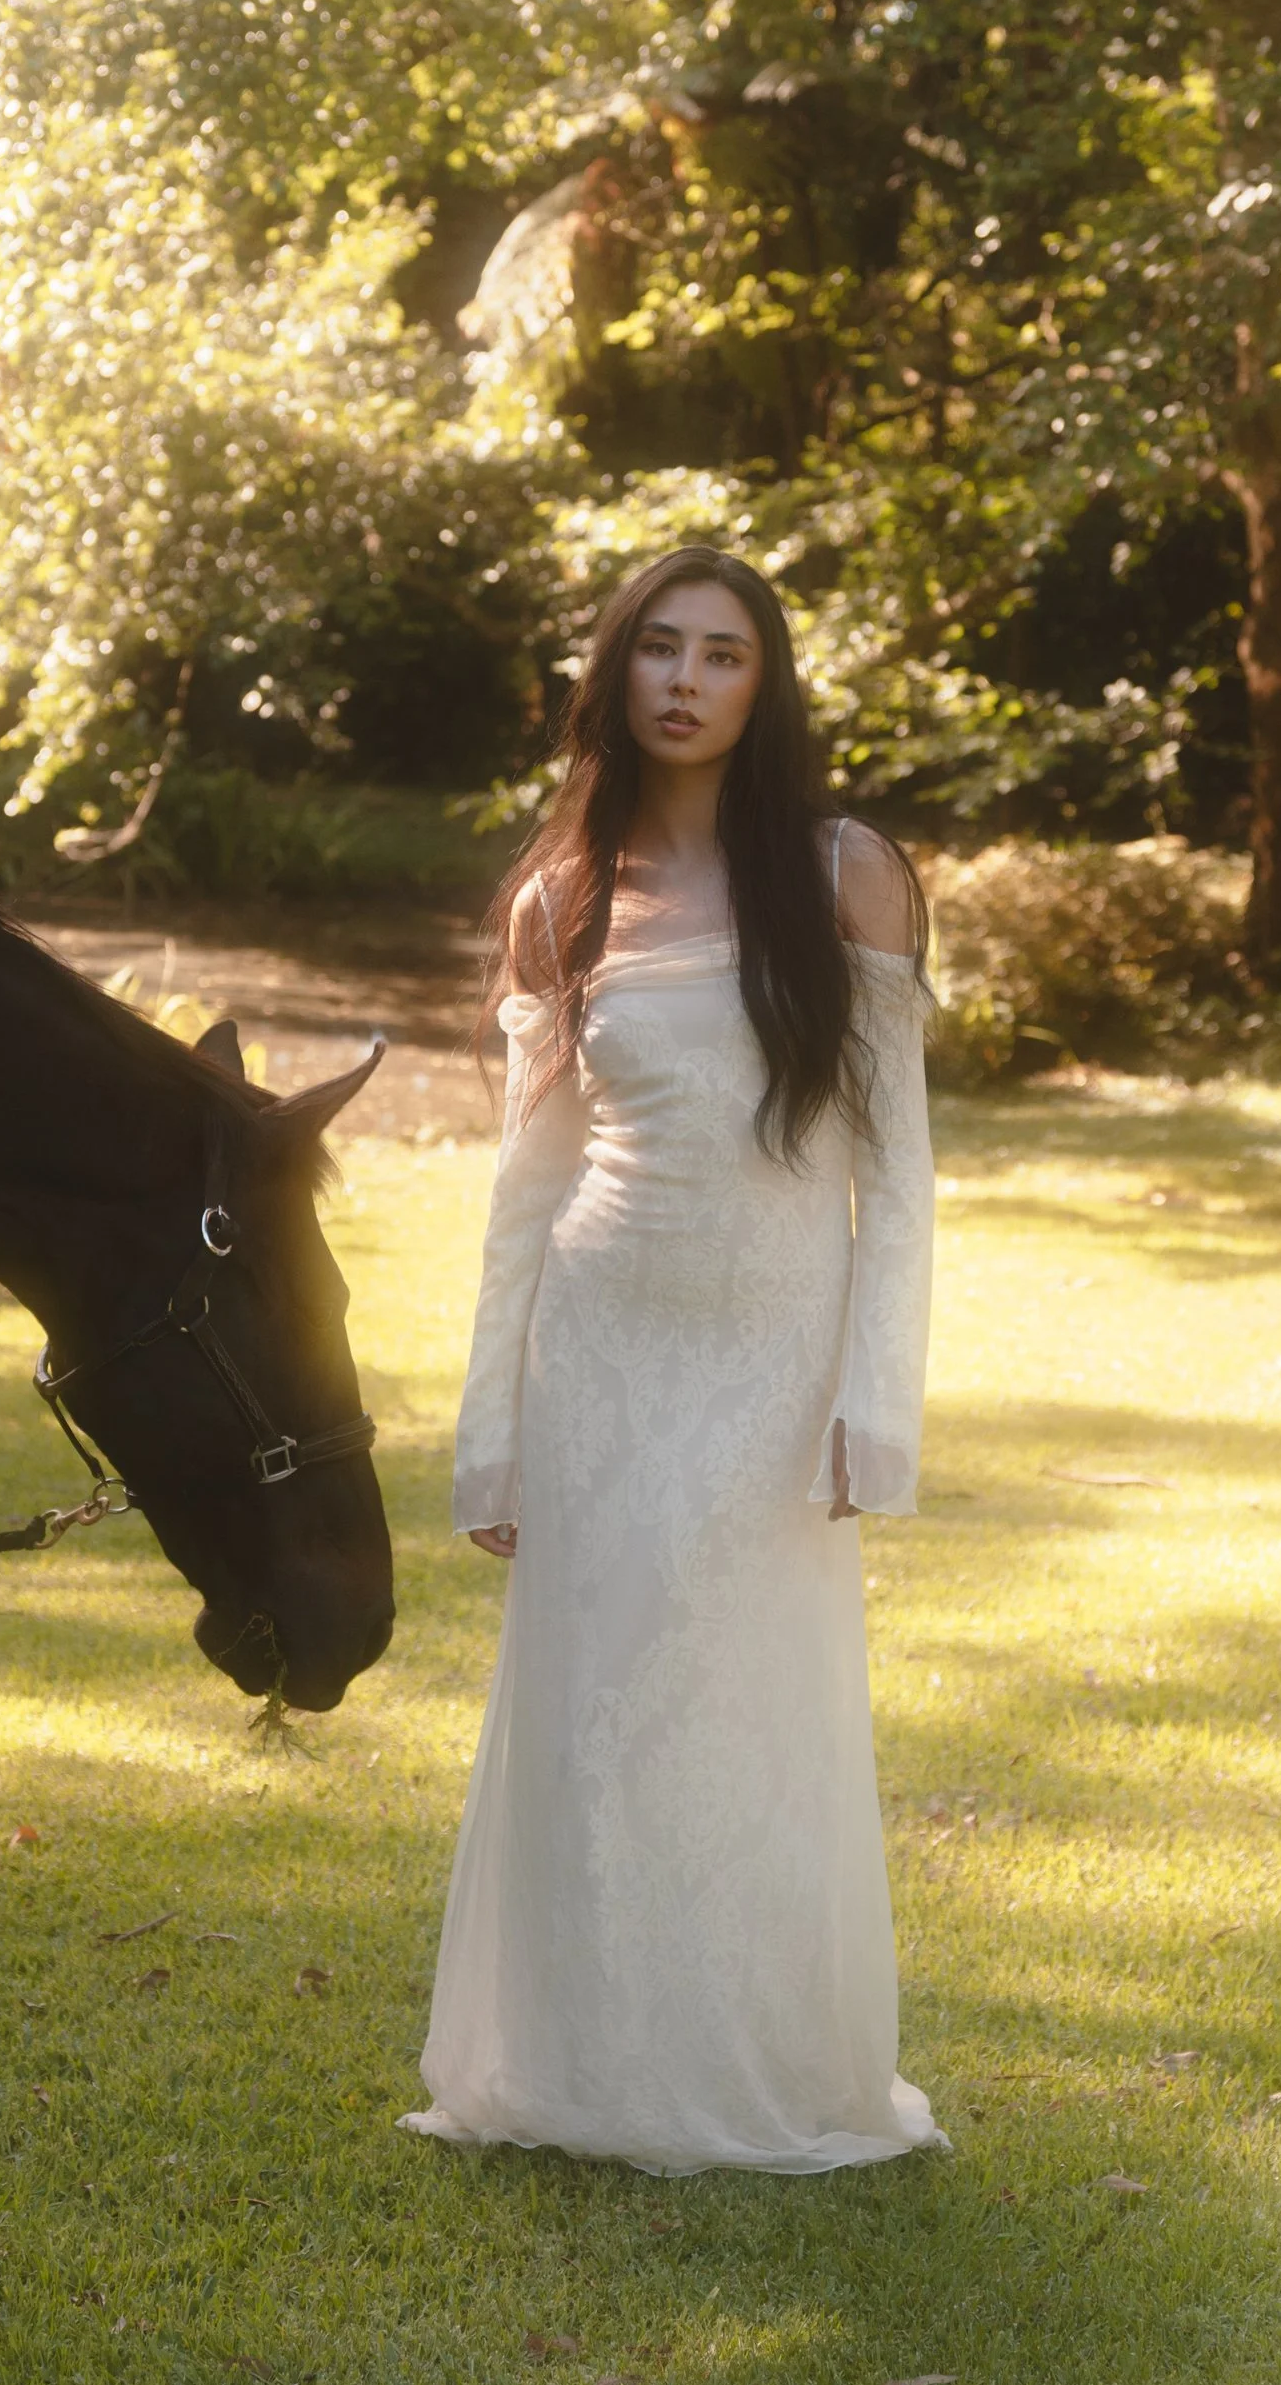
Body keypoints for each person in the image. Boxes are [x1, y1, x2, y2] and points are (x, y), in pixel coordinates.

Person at [401, 545, 944, 2177]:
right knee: (593, 1709)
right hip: (602, 1346)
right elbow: (524, 1186)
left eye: (722, 653)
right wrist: (488, 1430)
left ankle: (756, 2065)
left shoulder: (847, 872)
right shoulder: (558, 897)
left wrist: (876, 1405)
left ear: (763, 686)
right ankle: (583, 2076)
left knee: (745, 1712)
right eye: (659, 648)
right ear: (615, 674)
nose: (688, 679)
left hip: (776, 1355)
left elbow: (898, 1170)